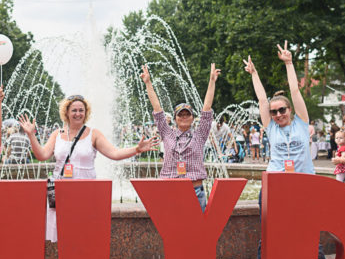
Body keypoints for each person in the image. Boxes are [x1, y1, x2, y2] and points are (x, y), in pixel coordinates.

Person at [245, 41, 326, 259]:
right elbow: (261, 98)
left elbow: (294, 89)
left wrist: (290, 63)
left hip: (304, 184)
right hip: (276, 185)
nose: (278, 114)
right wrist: (254, 74)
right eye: (275, 112)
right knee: (268, 233)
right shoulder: (270, 128)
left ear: (291, 110)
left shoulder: (302, 123)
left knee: (309, 228)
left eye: (282, 110)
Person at [19, 94, 157, 242]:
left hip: (85, 189)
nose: (78, 114)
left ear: (86, 112)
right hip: (61, 191)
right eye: (74, 110)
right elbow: (42, 155)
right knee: (64, 236)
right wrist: (31, 135)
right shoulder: (56, 134)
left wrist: (137, 149)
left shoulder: (94, 134)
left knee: (84, 235)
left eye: (81, 110)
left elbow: (115, 153)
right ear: (66, 112)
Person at [140, 62, 220, 211]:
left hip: (195, 191)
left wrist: (212, 81)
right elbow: (157, 110)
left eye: (187, 114)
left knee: (197, 231)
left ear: (192, 117)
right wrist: (148, 83)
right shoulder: (167, 132)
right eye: (180, 114)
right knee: (171, 231)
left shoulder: (200, 134)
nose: (184, 117)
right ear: (175, 118)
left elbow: (207, 110)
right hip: (170, 190)